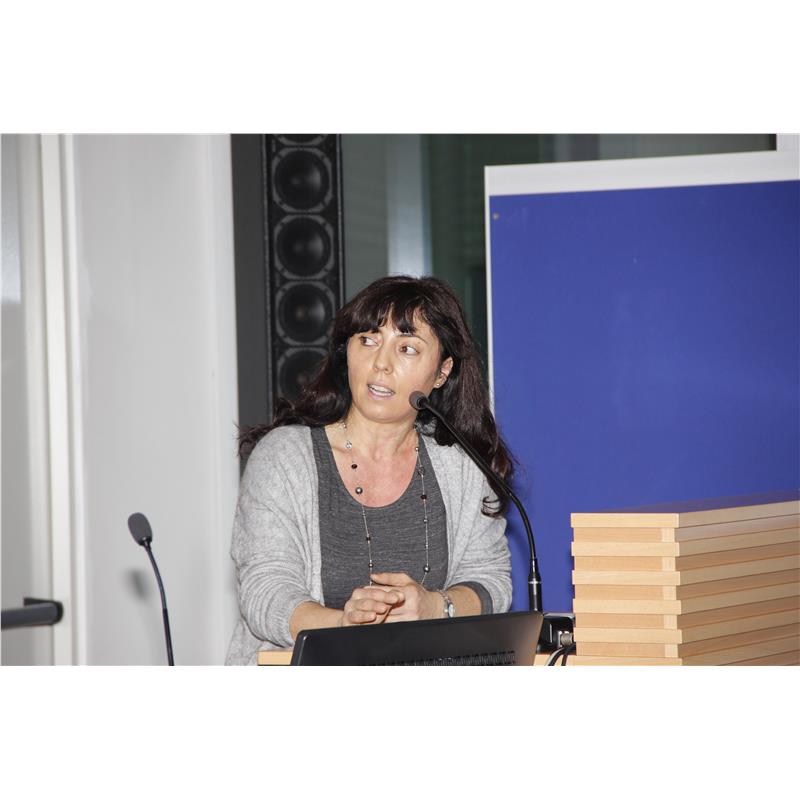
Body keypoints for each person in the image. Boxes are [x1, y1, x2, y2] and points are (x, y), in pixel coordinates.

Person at [225, 275, 515, 665]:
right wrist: (344, 627)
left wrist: (435, 606)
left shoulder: (461, 464)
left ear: (442, 372)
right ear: (346, 352)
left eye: (407, 348)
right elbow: (265, 591)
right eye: (367, 340)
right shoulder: (284, 458)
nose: (381, 364)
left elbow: (492, 581)